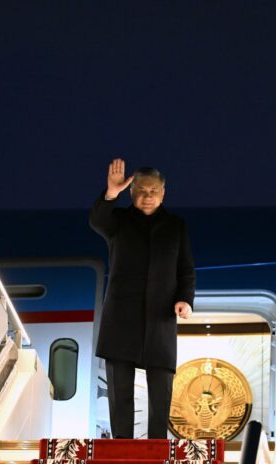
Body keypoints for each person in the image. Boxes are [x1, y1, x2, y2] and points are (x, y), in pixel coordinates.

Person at [89, 158, 196, 439]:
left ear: (163, 193)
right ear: (132, 192)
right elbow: (97, 220)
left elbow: (186, 269)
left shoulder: (176, 226)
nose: (147, 196)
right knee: (119, 393)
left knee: (160, 393)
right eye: (141, 191)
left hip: (160, 317)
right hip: (121, 319)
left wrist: (185, 300)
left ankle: (158, 449)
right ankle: (122, 448)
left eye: (153, 191)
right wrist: (111, 193)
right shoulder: (118, 221)